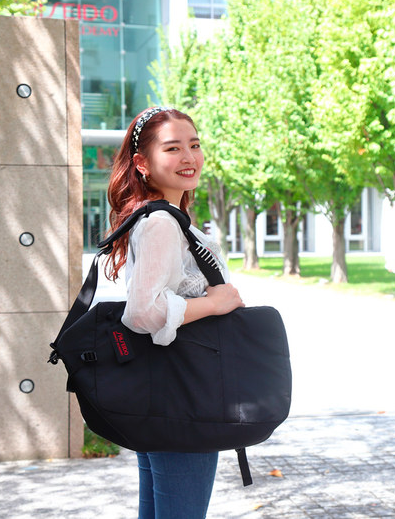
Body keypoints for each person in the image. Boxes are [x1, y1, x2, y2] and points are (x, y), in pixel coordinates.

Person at [104, 106, 244, 518]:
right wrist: (216, 303)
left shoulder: (158, 217)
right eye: (173, 148)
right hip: (183, 395)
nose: (189, 157)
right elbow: (144, 312)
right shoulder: (162, 222)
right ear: (142, 163)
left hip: (163, 391)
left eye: (194, 145)